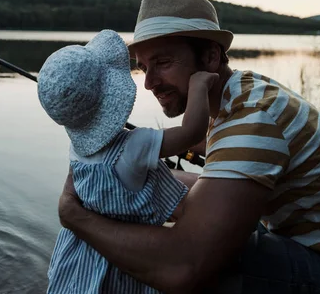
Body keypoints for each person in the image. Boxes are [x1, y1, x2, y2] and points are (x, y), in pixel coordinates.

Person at [57, 0, 320, 294]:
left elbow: (181, 269)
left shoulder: (252, 116)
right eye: (143, 67)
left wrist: (75, 216)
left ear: (210, 57)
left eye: (163, 62)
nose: (150, 82)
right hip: (310, 247)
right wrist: (123, 175)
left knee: (200, 263)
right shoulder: (237, 94)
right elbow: (219, 186)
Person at [37, 29, 218, 293]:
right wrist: (199, 86)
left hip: (79, 258)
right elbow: (192, 132)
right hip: (125, 260)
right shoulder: (136, 145)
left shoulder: (78, 151)